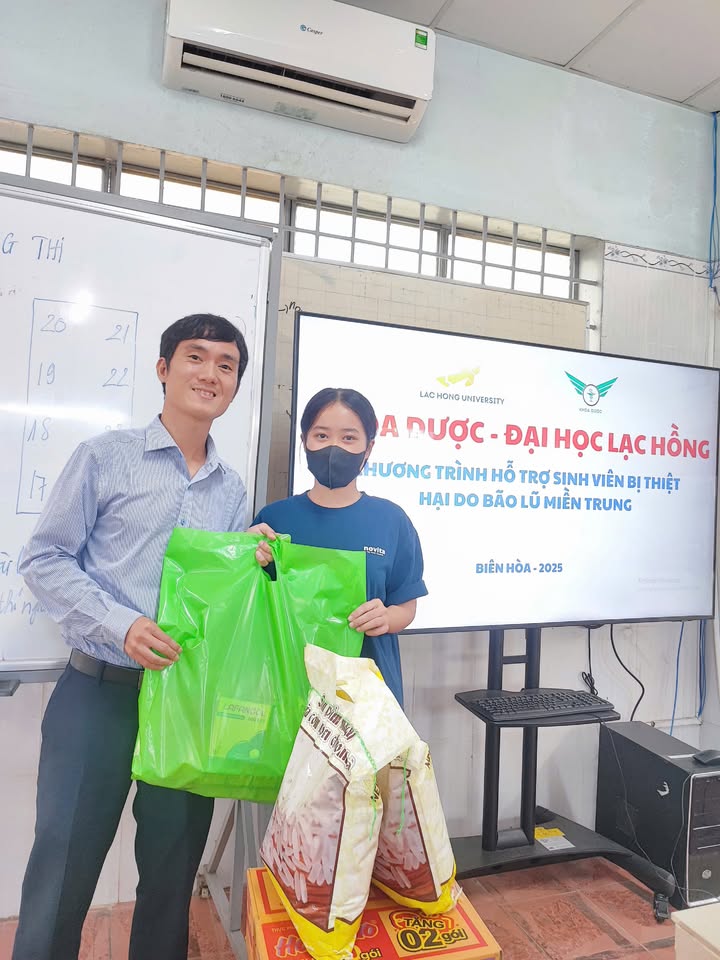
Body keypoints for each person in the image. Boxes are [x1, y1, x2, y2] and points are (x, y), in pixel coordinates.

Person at [12, 313, 271, 960]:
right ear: (163, 368)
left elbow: (214, 596)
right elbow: (44, 560)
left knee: (171, 877)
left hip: (185, 703)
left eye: (226, 365)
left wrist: (250, 563)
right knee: (62, 870)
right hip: (97, 694)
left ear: (235, 385)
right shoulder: (105, 457)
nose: (210, 373)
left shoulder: (232, 490)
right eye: (195, 357)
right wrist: (121, 624)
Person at [253, 387, 427, 706]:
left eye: (349, 438)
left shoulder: (391, 521)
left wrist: (386, 618)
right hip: (289, 689)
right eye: (321, 436)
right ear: (304, 441)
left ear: (368, 448)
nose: (334, 448)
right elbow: (255, 605)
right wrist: (246, 555)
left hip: (368, 696)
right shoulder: (274, 519)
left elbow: (406, 606)